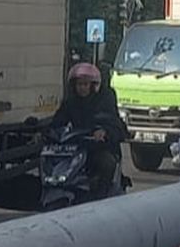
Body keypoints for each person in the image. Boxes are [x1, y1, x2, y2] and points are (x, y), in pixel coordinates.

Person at [50, 62, 125, 198]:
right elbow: (57, 122)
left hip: (99, 148)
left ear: (93, 85)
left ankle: (101, 196)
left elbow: (115, 124)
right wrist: (45, 133)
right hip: (76, 149)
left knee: (106, 163)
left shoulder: (104, 100)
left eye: (85, 84)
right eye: (79, 84)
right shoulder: (70, 103)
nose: (82, 88)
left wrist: (104, 132)